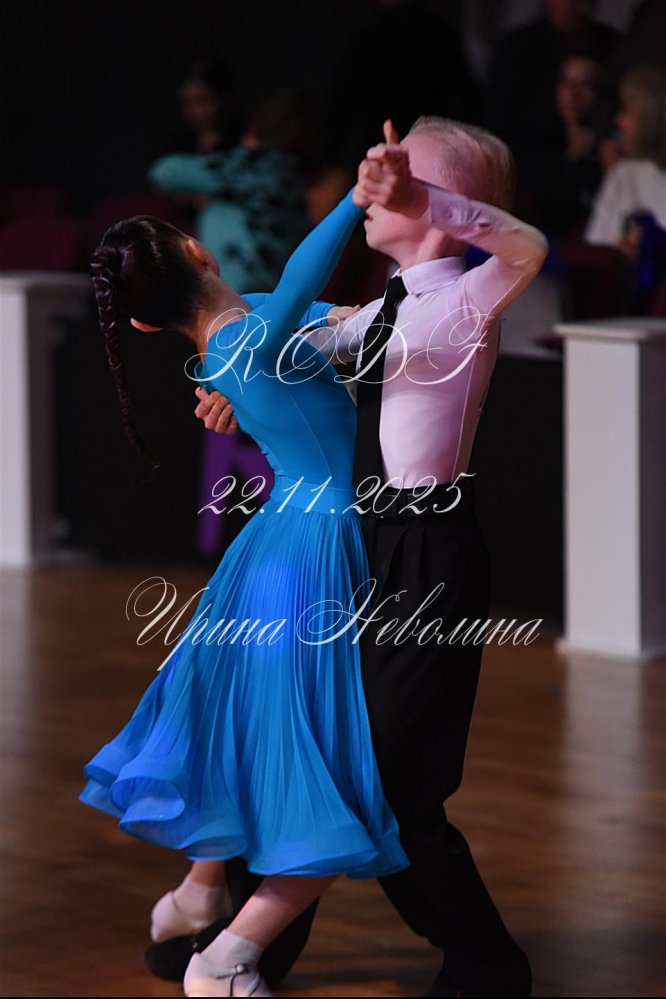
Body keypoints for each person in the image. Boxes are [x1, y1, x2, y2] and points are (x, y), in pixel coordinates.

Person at [185, 117, 549, 997]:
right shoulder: (384, 305)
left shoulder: (472, 294)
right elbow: (295, 343)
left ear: (442, 202)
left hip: (430, 559)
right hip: (360, 545)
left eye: (400, 177)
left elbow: (529, 244)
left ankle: (487, 964)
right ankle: (251, 948)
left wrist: (428, 200)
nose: (375, 184)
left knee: (392, 778)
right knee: (311, 748)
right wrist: (239, 392)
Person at [81, 182, 411, 998]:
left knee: (244, 723)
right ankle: (226, 953)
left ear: (145, 323)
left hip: (275, 542)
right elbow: (300, 288)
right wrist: (355, 200)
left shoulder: (238, 335)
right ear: (200, 251)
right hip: (314, 545)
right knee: (306, 747)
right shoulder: (245, 335)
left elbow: (318, 316)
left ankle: (199, 892)